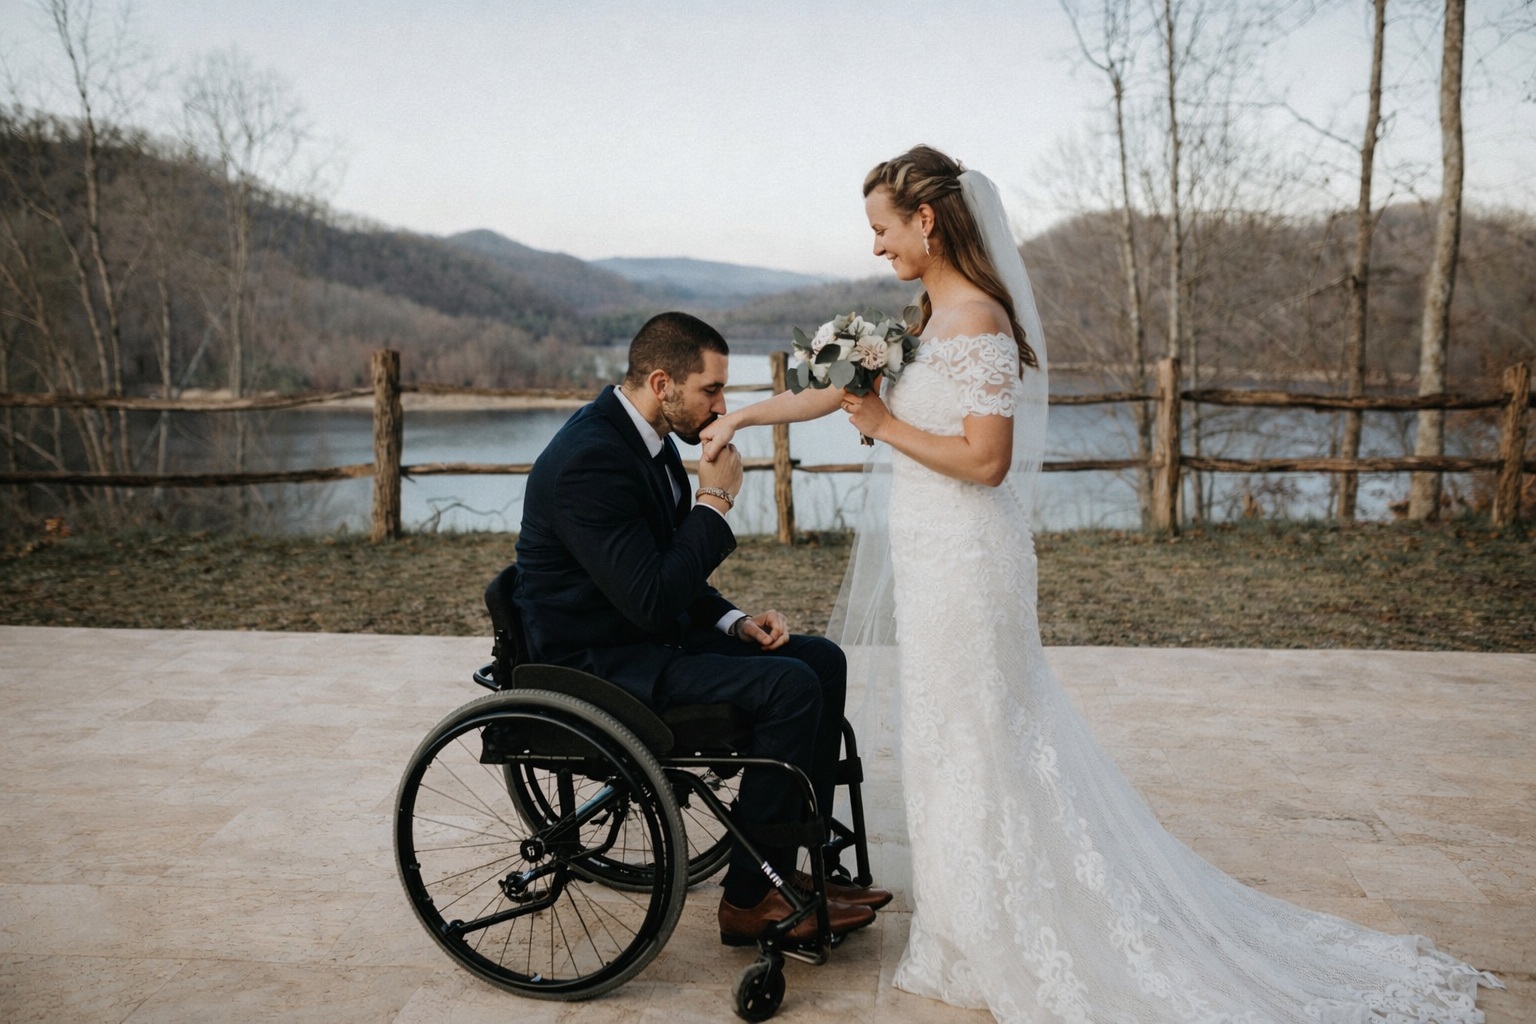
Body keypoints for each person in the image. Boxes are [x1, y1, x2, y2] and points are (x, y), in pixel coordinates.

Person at [699, 146, 1501, 1022]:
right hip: (935, 558)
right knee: (944, 736)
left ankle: (1008, 926)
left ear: (926, 220)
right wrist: (740, 411)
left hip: (970, 558)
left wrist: (885, 424)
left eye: (883, 230)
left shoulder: (977, 322)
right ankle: (965, 927)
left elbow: (987, 460)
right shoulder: (925, 320)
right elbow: (834, 396)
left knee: (980, 735)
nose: (878, 248)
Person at [511, 310, 891, 948]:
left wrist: (734, 621)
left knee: (821, 661)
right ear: (663, 384)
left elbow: (664, 573)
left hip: (641, 632)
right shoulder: (591, 461)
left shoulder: (650, 441)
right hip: (600, 663)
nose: (722, 406)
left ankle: (789, 867)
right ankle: (748, 900)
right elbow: (653, 599)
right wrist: (714, 504)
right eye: (711, 390)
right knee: (790, 688)